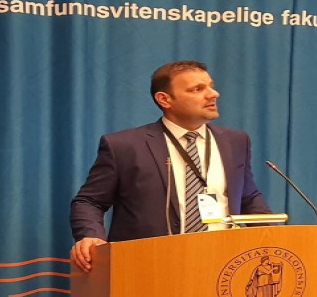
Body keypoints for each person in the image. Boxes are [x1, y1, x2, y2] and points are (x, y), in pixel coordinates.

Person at [70, 60, 271, 271]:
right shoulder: (125, 146)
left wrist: (274, 237)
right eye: (197, 89)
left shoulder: (236, 141)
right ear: (164, 99)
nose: (213, 94)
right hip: (149, 265)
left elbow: (248, 197)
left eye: (210, 86)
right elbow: (89, 201)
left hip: (221, 263)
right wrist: (90, 236)